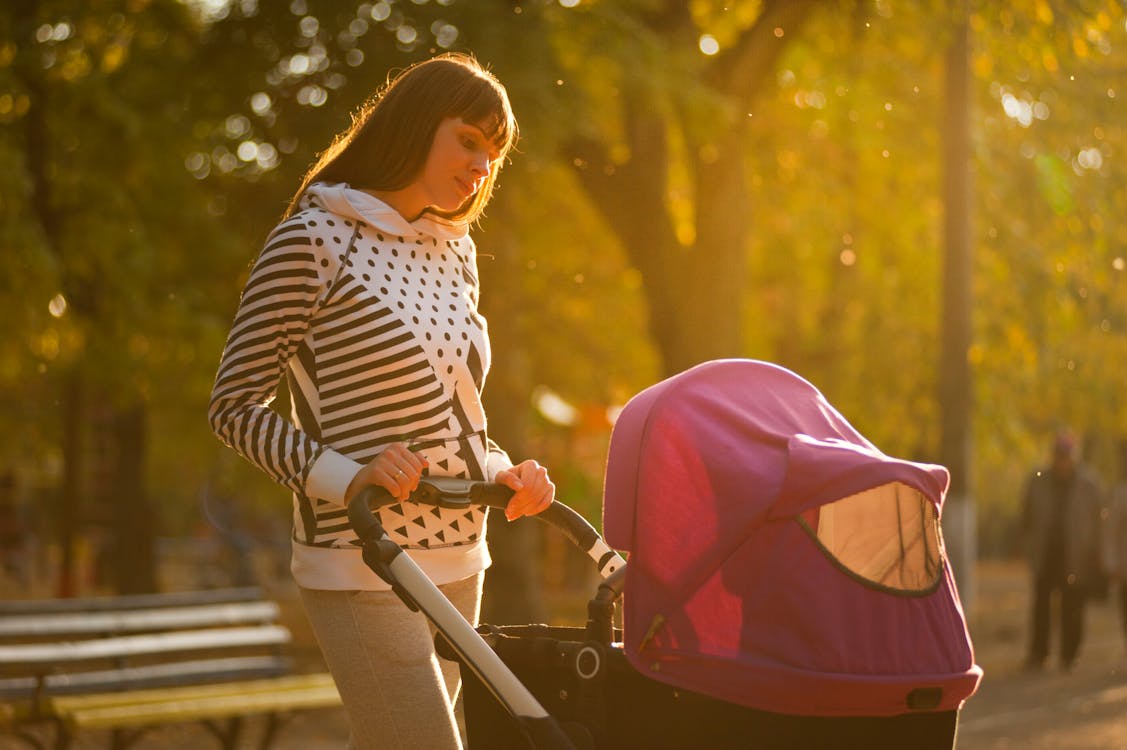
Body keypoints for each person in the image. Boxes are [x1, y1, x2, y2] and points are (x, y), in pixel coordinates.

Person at [208, 52, 555, 749]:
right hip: (362, 550)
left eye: (494, 153)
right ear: (417, 122)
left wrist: (503, 470)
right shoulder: (312, 239)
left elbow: (456, 415)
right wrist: (346, 473)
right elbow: (234, 407)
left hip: (461, 552)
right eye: (469, 140)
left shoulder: (450, 251)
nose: (482, 166)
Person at [1021, 430, 1106, 672]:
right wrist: (1026, 544)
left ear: (1073, 457)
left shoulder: (1089, 484)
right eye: (1058, 455)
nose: (1062, 461)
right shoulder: (1038, 480)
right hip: (1046, 554)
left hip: (1076, 556)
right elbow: (1026, 515)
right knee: (1041, 606)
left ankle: (1070, 655)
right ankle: (1038, 653)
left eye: (1066, 456)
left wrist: (1098, 552)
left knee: (1073, 607)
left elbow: (1100, 520)